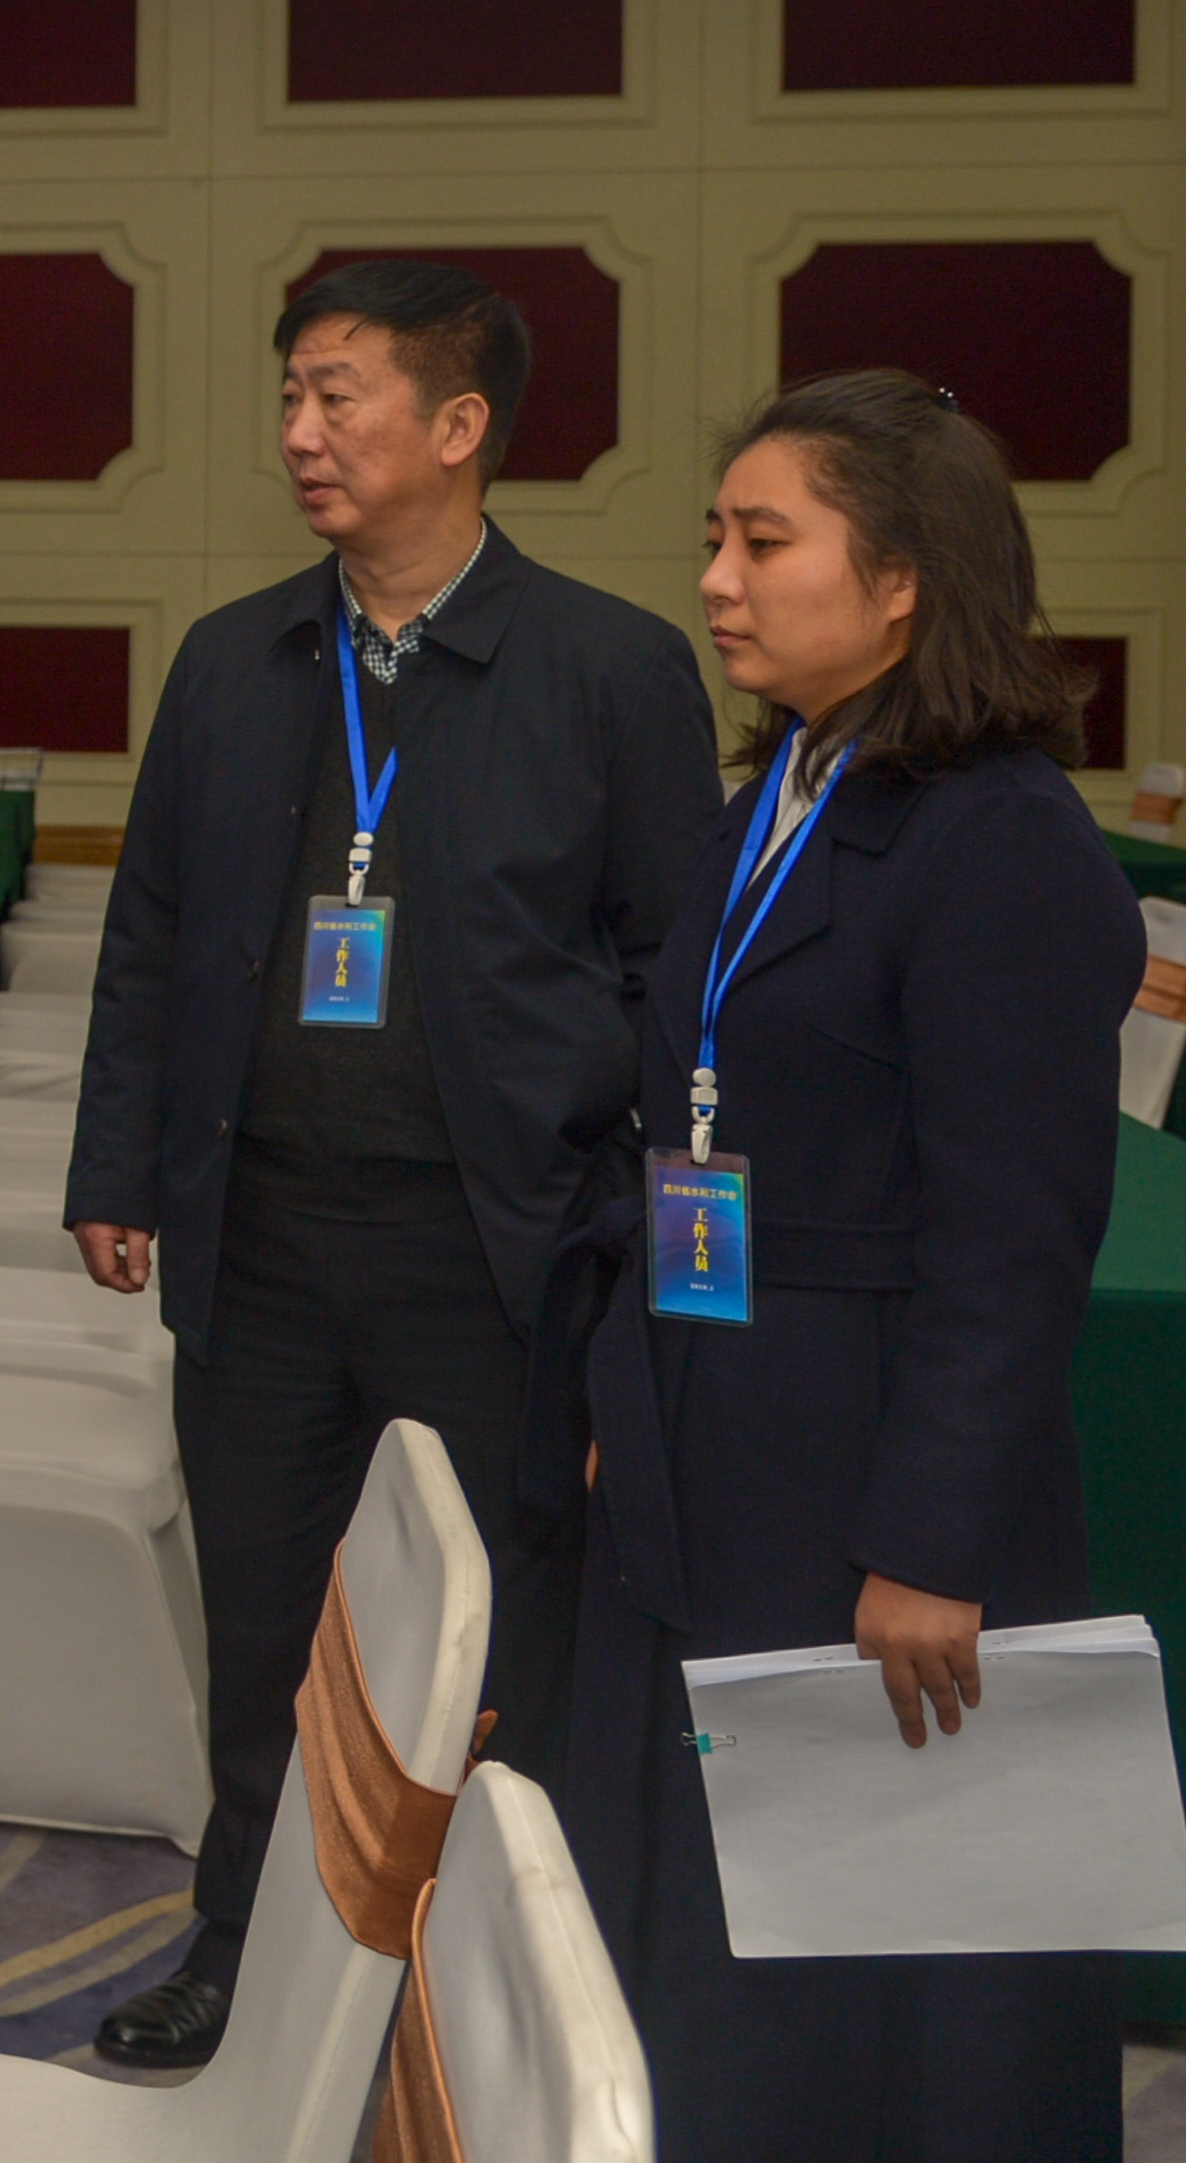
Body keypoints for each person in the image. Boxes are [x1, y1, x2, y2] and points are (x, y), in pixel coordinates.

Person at [62, 257, 720, 2071]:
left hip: (493, 1251)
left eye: (334, 396)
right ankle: (240, 1944)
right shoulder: (235, 659)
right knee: (269, 1625)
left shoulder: (609, 670)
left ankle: (478, 1991)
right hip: (260, 1233)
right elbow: (150, 932)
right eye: (287, 395)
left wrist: (645, 1259)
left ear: (457, 425)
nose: (297, 431)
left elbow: (679, 990)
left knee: (496, 1636)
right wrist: (115, 1164)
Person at [558, 369, 1139, 2163]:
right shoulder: (790, 787)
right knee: (734, 1894)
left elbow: (1012, 1241)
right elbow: (692, 1116)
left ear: (899, 582)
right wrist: (633, 1382)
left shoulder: (1004, 842)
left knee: (892, 1919)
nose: (714, 579)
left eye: (761, 540)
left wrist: (931, 1542)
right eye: (712, 539)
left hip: (866, 1454)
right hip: (723, 1419)